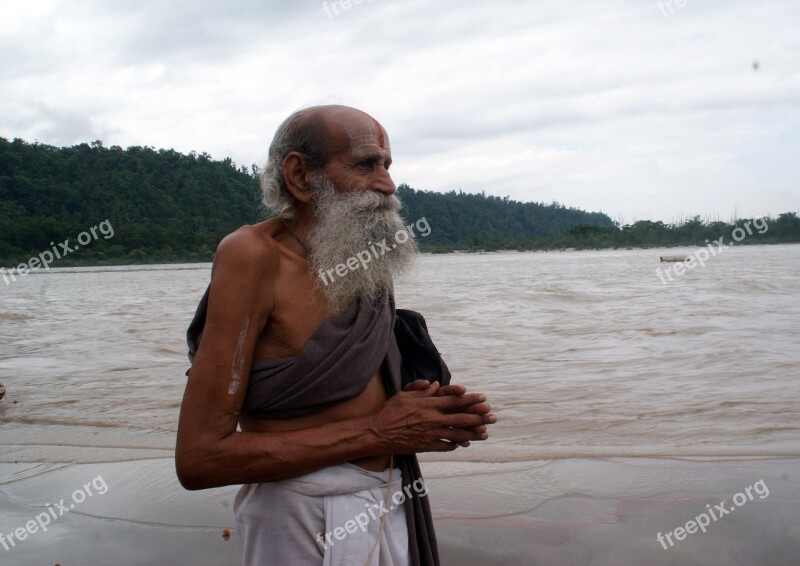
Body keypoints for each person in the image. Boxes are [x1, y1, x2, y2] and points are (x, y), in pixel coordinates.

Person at [175, 105, 496, 566]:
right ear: (300, 176)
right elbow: (200, 458)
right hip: (298, 511)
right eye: (365, 165)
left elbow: (362, 390)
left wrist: (429, 417)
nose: (386, 185)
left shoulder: (361, 256)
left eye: (387, 166)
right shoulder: (251, 256)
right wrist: (377, 431)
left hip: (386, 495)